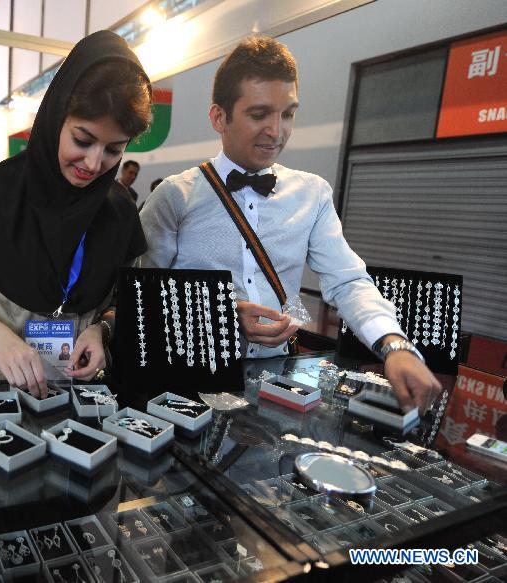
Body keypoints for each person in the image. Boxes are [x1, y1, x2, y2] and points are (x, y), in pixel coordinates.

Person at [139, 36, 440, 411]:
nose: (276, 131)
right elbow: (143, 297)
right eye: (259, 114)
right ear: (219, 117)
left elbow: (347, 279)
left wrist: (394, 344)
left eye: (288, 114)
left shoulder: (311, 194)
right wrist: (225, 316)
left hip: (276, 385)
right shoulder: (174, 197)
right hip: (188, 381)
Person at [0, 31, 151, 398]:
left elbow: (126, 299)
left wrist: (103, 330)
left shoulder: (119, 210)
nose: (94, 163)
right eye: (82, 141)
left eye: (114, 150)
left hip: (83, 386)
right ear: (55, 119)